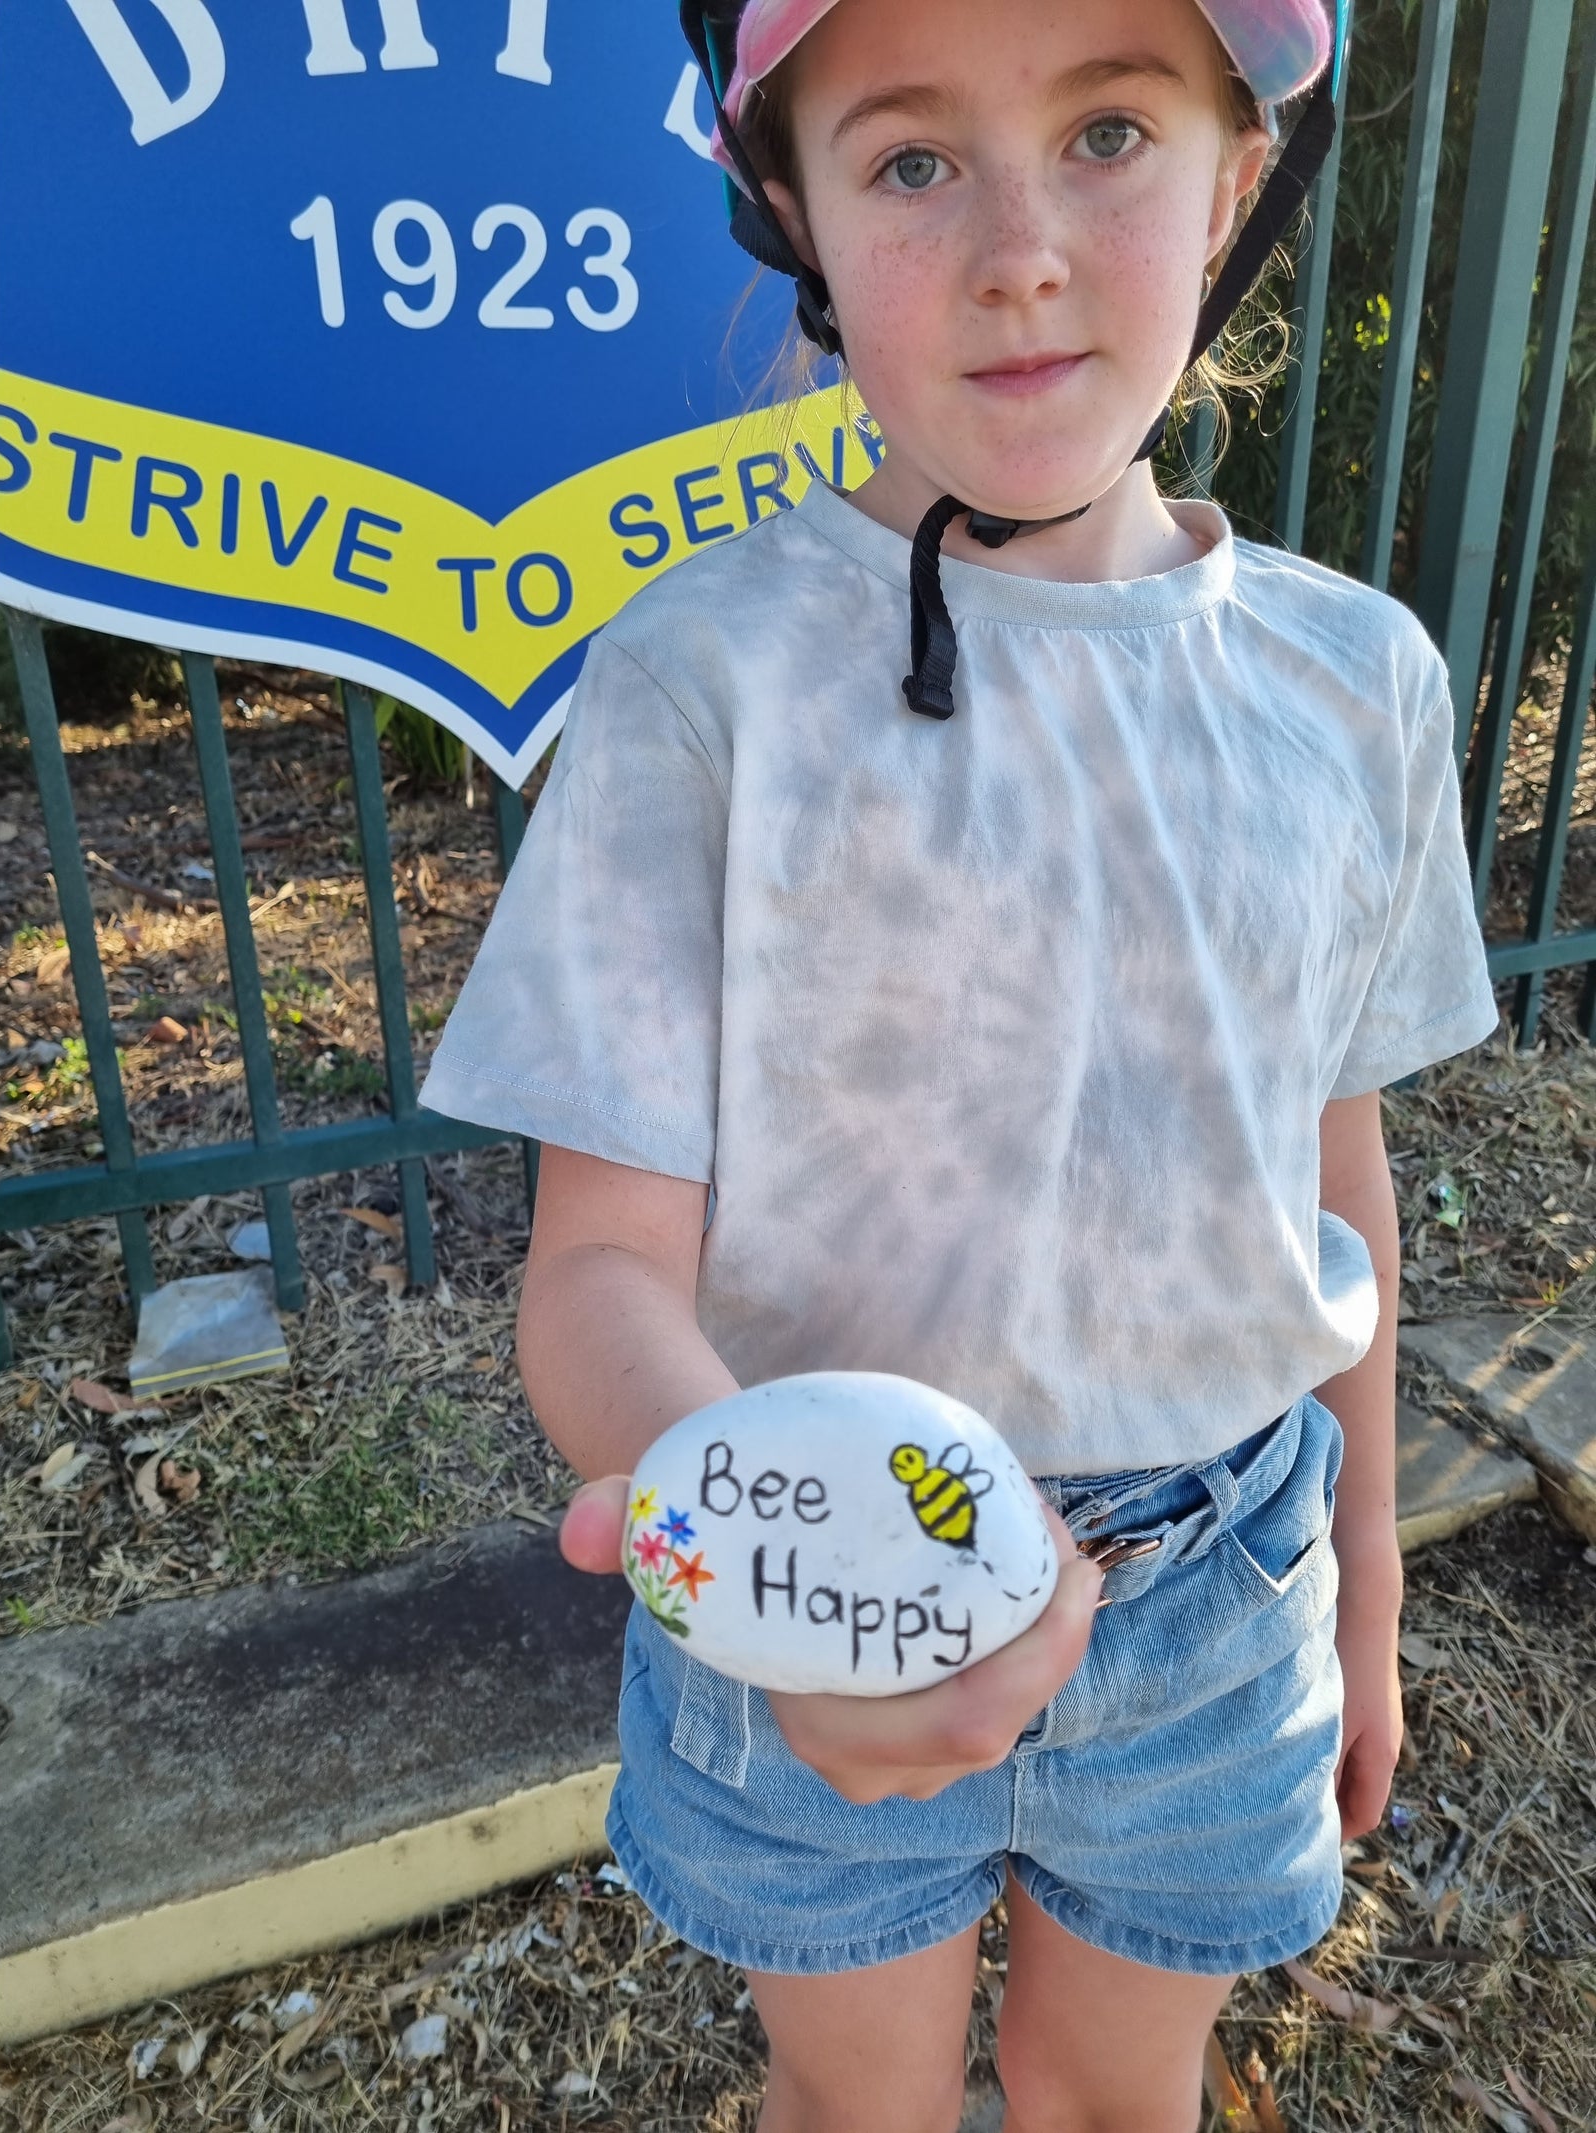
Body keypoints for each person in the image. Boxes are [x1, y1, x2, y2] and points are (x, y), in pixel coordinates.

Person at [420, 0, 1500, 2123]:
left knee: (1120, 2099)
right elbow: (599, 1274)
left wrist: (1363, 1584)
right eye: (912, 161)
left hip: (1223, 1595)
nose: (1019, 253)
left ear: (1234, 179)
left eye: (1108, 133)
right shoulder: (700, 685)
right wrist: (773, 1575)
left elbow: (1334, 1185)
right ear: (796, 215)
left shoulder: (1352, 685)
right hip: (809, 1589)